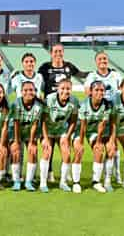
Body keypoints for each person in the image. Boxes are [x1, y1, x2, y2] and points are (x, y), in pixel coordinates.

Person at [38, 42, 89, 182]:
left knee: (64, 141)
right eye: (55, 51)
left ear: (63, 52)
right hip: (50, 107)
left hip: (65, 106)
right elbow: (37, 82)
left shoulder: (69, 66)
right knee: (50, 143)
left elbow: (81, 74)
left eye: (60, 51)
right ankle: (49, 173)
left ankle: (67, 172)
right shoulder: (45, 67)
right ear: (51, 53)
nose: (58, 54)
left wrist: (95, 73)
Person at [84, 50, 123, 184]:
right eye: (100, 59)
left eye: (105, 59)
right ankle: (102, 177)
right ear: (96, 62)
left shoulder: (116, 75)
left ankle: (115, 175)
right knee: (100, 146)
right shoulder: (91, 76)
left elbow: (120, 93)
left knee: (114, 146)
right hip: (98, 114)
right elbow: (87, 92)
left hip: (112, 114)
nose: (103, 61)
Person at [72, 81, 113, 193]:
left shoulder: (107, 105)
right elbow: (83, 125)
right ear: (90, 92)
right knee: (79, 150)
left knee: (99, 150)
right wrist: (80, 142)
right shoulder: (83, 104)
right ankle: (76, 182)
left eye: (102, 90)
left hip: (93, 131)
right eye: (97, 90)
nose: (100, 92)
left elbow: (102, 124)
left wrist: (98, 142)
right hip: (79, 130)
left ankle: (96, 181)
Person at [40, 79, 79, 192]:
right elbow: (43, 120)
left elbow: (73, 121)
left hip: (62, 131)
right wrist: (46, 138)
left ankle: (63, 182)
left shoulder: (74, 101)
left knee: (66, 153)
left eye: (68, 89)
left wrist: (67, 136)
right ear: (57, 89)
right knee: (47, 151)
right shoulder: (50, 99)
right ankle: (43, 183)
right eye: (62, 88)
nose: (65, 91)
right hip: (48, 130)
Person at [9, 81, 43, 191]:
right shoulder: (16, 104)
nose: (28, 92)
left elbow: (34, 125)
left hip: (30, 132)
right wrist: (16, 141)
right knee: (16, 152)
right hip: (16, 131)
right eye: (26, 90)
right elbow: (16, 123)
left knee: (32, 151)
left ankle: (29, 181)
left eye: (31, 90)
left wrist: (32, 142)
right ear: (21, 92)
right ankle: (16, 181)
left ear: (35, 92)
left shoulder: (38, 106)